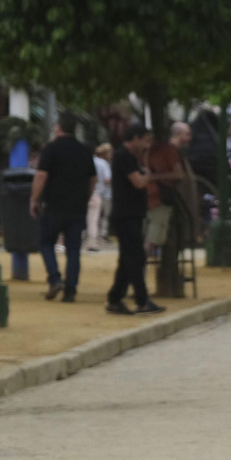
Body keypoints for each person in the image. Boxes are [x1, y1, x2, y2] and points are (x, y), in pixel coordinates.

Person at [30, 112, 98, 303]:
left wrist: (34, 200)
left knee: (45, 243)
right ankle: (71, 290)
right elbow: (93, 178)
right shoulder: (84, 150)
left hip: (54, 205)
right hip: (77, 206)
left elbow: (41, 176)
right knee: (73, 249)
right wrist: (87, 197)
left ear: (58, 127)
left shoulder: (51, 149)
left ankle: (54, 278)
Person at [106, 125, 163, 316]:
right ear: (135, 138)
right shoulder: (123, 156)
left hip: (133, 214)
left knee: (127, 258)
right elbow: (138, 182)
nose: (147, 144)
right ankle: (141, 299)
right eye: (145, 140)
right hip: (125, 214)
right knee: (136, 257)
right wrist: (147, 175)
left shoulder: (132, 158)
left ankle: (115, 298)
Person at [144, 121, 190, 255]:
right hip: (159, 198)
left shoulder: (147, 150)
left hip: (148, 196)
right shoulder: (168, 150)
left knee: (151, 236)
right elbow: (178, 174)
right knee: (152, 238)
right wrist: (155, 177)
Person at [88, 143, 112, 252]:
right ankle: (93, 242)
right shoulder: (103, 164)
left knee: (87, 219)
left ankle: (86, 239)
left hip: (85, 194)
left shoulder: (87, 162)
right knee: (95, 219)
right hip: (98, 194)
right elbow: (107, 179)